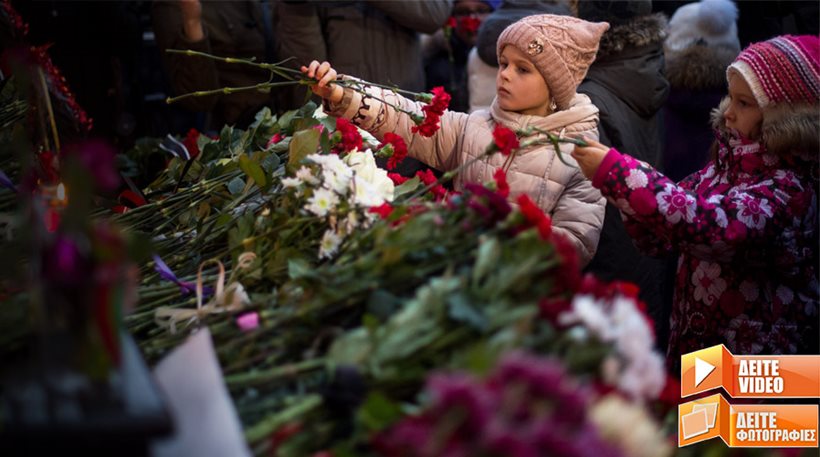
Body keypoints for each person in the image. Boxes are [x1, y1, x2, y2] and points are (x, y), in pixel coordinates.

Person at [571, 35, 819, 366]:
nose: (728, 112)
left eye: (744, 103)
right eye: (730, 97)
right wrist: (627, 190)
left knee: (746, 422)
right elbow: (664, 233)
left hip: (764, 368)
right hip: (702, 356)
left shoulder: (790, 190)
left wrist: (621, 175)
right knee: (700, 419)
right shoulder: (723, 169)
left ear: (783, 117)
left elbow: (708, 226)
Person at [302, 14, 609, 266]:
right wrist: (343, 93)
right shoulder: (475, 127)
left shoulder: (582, 157)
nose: (504, 75)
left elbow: (575, 243)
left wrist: (499, 245)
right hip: (454, 276)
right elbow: (407, 117)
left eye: (523, 69)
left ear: (556, 87)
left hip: (517, 303)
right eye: (504, 64)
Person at [575, 0, 671, 348]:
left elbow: (592, 207)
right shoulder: (645, 70)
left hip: (608, 274)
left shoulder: (589, 96)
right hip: (646, 263)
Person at [152, 0, 277, 130]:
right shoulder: (173, 6)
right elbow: (199, 99)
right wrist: (192, 22)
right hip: (240, 127)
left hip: (283, 109)